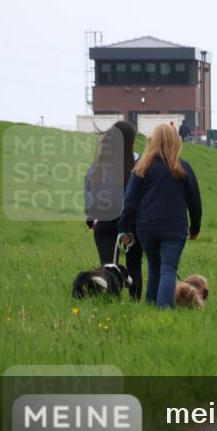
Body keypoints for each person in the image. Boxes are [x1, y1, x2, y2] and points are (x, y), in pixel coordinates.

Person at [119, 124, 202, 309]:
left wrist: (124, 228)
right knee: (168, 268)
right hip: (174, 228)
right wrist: (195, 227)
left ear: (153, 141)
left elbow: (129, 201)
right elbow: (195, 202)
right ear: (176, 142)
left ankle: (151, 307)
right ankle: (164, 310)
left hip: (146, 228)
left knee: (154, 267)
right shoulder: (184, 168)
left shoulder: (142, 167)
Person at [84, 120, 143, 300]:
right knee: (134, 266)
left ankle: (110, 302)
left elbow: (88, 194)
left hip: (103, 224)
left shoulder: (97, 166)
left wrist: (91, 218)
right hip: (131, 224)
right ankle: (134, 303)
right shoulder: (139, 164)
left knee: (108, 268)